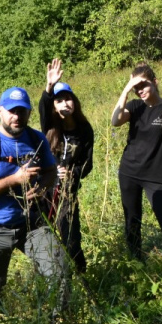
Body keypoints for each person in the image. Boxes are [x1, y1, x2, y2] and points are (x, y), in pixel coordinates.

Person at [0, 87, 66, 312]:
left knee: (59, 271)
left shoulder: (36, 138)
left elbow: (50, 171)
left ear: (29, 113)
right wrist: (14, 179)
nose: (16, 117)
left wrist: (41, 188)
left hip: (31, 223)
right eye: (11, 111)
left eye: (22, 111)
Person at [110, 64, 162, 264]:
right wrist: (126, 90)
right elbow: (115, 121)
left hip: (155, 174)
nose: (140, 90)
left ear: (155, 82)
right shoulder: (135, 106)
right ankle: (136, 262)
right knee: (132, 220)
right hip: (129, 171)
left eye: (143, 85)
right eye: (136, 87)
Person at [39, 58, 94, 273]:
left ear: (74, 101)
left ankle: (80, 275)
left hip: (68, 194)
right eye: (59, 100)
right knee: (44, 235)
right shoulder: (50, 126)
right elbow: (43, 106)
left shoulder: (84, 129)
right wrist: (49, 86)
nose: (64, 104)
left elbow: (88, 164)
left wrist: (72, 173)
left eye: (68, 99)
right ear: (54, 106)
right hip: (44, 190)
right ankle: (51, 275)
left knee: (71, 238)